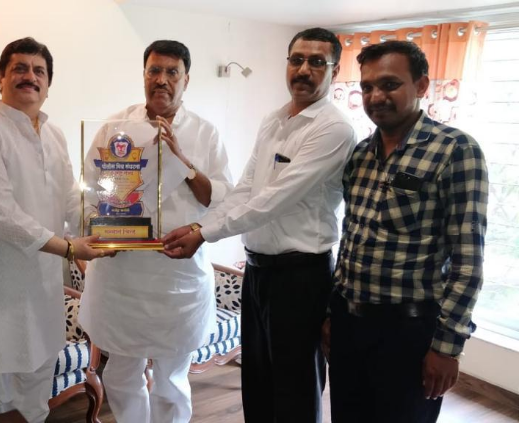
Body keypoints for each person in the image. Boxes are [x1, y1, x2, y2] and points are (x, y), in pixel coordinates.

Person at [163, 28, 357, 422]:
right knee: (257, 382)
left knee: (294, 389)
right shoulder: (274, 120)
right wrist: (200, 226)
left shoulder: (334, 128)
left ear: (334, 71)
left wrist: (203, 234)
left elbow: (272, 202)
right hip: (258, 271)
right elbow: (245, 191)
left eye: (316, 62)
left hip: (301, 276)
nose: (303, 69)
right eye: (297, 60)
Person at [0, 37, 112, 423]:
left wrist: (109, 228)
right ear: (1, 78)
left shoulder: (54, 136)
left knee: (36, 397)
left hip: (43, 290)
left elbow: (71, 199)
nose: (30, 76)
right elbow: (1, 214)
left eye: (39, 71)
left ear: (48, 84)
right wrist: (69, 248)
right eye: (19, 68)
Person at [325, 40, 488, 423]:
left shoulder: (455, 150)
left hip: (409, 334)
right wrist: (333, 313)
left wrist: (447, 347)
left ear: (422, 86)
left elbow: (468, 260)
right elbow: (352, 239)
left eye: (390, 84)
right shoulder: (361, 154)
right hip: (350, 326)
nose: (376, 96)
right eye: (367, 87)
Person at [78, 39, 233, 423]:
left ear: (186, 79)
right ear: (144, 75)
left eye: (171, 72)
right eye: (154, 71)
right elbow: (91, 190)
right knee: (121, 372)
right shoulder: (115, 128)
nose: (161, 79)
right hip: (122, 276)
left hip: (177, 277)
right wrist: (102, 231)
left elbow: (221, 199)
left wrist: (182, 160)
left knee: (172, 378)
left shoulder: (206, 133)